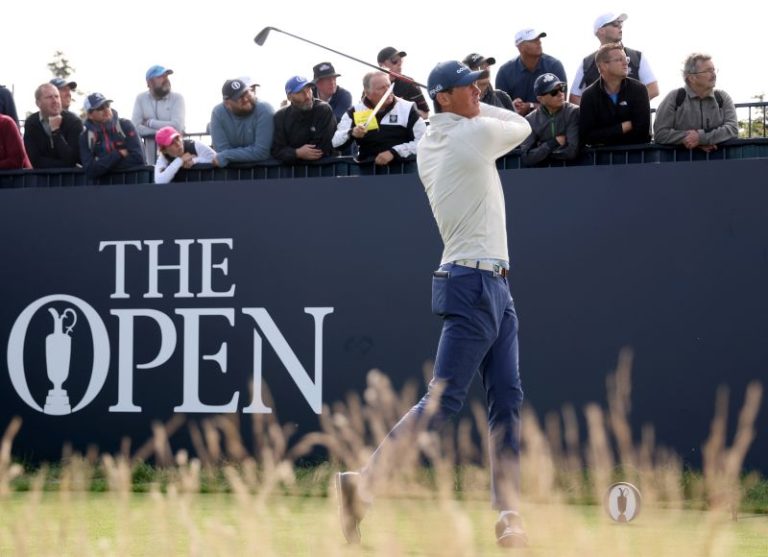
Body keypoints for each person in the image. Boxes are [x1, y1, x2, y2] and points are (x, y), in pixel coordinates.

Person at [335, 60, 531, 548]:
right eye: (468, 88)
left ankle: (509, 513)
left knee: (506, 399)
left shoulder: (433, 139)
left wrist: (464, 99)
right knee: (443, 401)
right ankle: (363, 486)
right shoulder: (469, 137)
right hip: (473, 283)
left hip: (490, 284)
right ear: (443, 97)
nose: (478, 92)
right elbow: (523, 125)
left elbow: (474, 117)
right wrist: (479, 105)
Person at [332, 71, 425, 165]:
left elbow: (423, 142)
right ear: (368, 93)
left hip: (404, 171)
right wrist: (352, 132)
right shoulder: (355, 111)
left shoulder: (407, 108)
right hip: (367, 172)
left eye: (389, 86)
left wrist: (394, 152)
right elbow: (335, 142)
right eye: (381, 88)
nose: (388, 91)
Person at [569, 12, 658, 105]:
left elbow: (653, 88)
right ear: (601, 31)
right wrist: (596, 113)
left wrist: (629, 108)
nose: (620, 27)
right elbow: (574, 98)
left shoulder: (637, 57)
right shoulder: (587, 63)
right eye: (615, 24)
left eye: (621, 23)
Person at [653, 53, 737, 151]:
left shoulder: (723, 97)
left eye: (714, 70)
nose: (714, 74)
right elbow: (660, 133)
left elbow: (733, 129)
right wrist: (693, 140)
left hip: (719, 163)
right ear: (692, 78)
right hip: (680, 164)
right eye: (708, 71)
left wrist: (700, 138)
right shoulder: (674, 97)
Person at [578, 43, 651, 147]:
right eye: (619, 60)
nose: (626, 63)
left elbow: (642, 133)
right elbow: (586, 136)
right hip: (602, 160)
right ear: (603, 66)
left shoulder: (639, 90)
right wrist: (622, 128)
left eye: (626, 59)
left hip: (636, 158)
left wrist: (605, 135)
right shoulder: (589, 95)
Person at [495, 29, 567, 117]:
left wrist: (530, 106)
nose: (539, 43)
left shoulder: (554, 66)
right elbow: (500, 109)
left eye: (539, 39)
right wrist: (512, 107)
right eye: (533, 40)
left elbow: (561, 104)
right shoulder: (504, 72)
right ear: (520, 46)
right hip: (517, 124)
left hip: (551, 123)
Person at [79, 93, 145, 180]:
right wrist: (119, 154)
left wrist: (101, 163)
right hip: (103, 189)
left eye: (107, 105)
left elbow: (139, 158)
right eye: (100, 108)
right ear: (90, 115)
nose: (106, 109)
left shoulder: (125, 125)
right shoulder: (85, 136)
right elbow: (90, 171)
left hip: (133, 182)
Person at [210, 78, 274, 167]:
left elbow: (262, 152)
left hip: (265, 173)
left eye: (246, 93)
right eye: (238, 97)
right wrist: (225, 155)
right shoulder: (218, 113)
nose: (245, 99)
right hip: (231, 175)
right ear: (227, 104)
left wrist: (226, 155)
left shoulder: (264, 109)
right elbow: (221, 150)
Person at [271, 76, 336, 163]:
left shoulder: (323, 109)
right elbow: (276, 150)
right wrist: (297, 153)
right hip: (291, 173)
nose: (307, 96)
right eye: (301, 92)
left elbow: (320, 149)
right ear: (289, 97)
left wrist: (291, 152)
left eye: (309, 90)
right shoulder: (280, 116)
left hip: (325, 170)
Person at [520, 73, 580, 166]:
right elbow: (527, 157)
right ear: (540, 99)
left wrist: (541, 152)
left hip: (573, 170)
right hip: (543, 175)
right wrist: (553, 143)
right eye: (554, 92)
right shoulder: (530, 120)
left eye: (561, 88)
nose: (560, 94)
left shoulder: (573, 112)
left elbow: (572, 151)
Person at [132, 65, 186, 165]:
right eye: (160, 77)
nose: (165, 79)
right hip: (150, 163)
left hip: (175, 160)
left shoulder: (177, 98)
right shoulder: (140, 99)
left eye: (166, 76)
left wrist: (150, 123)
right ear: (149, 82)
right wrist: (163, 133)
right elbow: (135, 128)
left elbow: (177, 126)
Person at [23, 83, 83, 168]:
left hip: (71, 179)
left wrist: (56, 131)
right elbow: (35, 160)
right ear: (38, 103)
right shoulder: (31, 123)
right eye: (49, 97)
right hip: (42, 179)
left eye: (57, 96)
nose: (55, 101)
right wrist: (64, 165)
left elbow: (73, 159)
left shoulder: (74, 122)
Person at [377, 46, 430, 119]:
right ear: (381, 65)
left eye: (400, 60)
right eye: (394, 60)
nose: (399, 64)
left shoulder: (409, 83)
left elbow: (425, 114)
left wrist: (405, 108)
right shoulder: (372, 85)